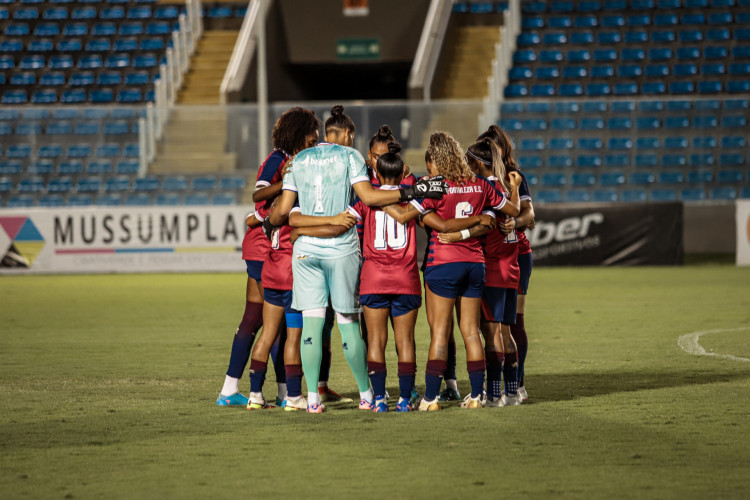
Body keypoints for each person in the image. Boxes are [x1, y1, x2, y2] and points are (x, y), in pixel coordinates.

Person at [267, 105, 447, 413]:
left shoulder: (298, 160)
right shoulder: (350, 157)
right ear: (348, 133)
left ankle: (311, 400)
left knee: (311, 326)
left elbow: (281, 214)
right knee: (349, 323)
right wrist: (410, 192)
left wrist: (297, 223)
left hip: (307, 250)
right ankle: (367, 395)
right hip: (343, 251)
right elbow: (370, 198)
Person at [381, 131, 520, 410]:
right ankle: (477, 395)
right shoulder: (481, 185)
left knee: (440, 333)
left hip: (442, 264)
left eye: (429, 164)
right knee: (471, 331)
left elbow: (407, 215)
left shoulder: (434, 186)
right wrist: (482, 216)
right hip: (475, 265)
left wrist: (379, 197)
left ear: (436, 161)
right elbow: (512, 211)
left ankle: (431, 398)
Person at [216, 107, 321, 406]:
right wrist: (289, 182)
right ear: (298, 136)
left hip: (262, 243)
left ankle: (233, 389)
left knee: (257, 318)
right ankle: (282, 393)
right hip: (266, 246)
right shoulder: (279, 159)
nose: (314, 143)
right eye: (311, 139)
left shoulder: (291, 159)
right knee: (274, 323)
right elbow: (259, 195)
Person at [440, 137, 527, 406]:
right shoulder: (504, 188)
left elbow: (485, 225)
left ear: (478, 163)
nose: (465, 165)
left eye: (468, 160)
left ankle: (493, 394)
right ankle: (512, 392)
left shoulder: (482, 189)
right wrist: (514, 188)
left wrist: (458, 234)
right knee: (506, 332)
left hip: (491, 268)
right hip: (511, 268)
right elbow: (515, 212)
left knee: (492, 334)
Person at [247, 201, 355, 410]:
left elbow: (256, 221)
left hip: (270, 274)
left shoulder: (276, 206)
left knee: (267, 334)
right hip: (291, 277)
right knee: (294, 338)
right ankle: (294, 396)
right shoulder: (298, 205)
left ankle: (255, 395)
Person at [349, 142, 424, 412]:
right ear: (402, 172)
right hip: (405, 278)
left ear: (377, 175)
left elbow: (347, 221)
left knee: (376, 341)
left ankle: (379, 399)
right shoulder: (412, 198)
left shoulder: (367, 199)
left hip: (374, 278)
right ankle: (405, 399)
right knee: (405, 342)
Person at [478, 125, 535, 401]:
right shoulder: (504, 183)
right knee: (501, 327)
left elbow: (529, 215)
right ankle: (511, 388)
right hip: (507, 260)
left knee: (505, 326)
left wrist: (515, 221)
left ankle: (509, 386)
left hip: (509, 258)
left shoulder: (511, 178)